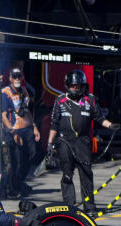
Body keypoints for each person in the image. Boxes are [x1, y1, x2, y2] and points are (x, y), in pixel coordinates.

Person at [47, 69, 117, 214]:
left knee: (86, 174)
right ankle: (69, 206)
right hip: (65, 141)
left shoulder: (90, 99)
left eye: (78, 86)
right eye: (73, 86)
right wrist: (50, 143)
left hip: (83, 143)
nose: (75, 88)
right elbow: (54, 123)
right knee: (67, 174)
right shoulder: (60, 100)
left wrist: (111, 125)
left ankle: (89, 207)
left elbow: (99, 118)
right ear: (68, 85)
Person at [0, 68, 40, 198]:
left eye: (19, 76)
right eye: (14, 76)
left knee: (31, 156)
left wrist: (34, 127)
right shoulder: (5, 92)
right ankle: (12, 187)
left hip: (26, 128)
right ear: (10, 78)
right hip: (13, 130)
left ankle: (18, 183)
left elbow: (27, 111)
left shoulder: (24, 91)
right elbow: (3, 116)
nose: (17, 79)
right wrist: (13, 132)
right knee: (15, 161)